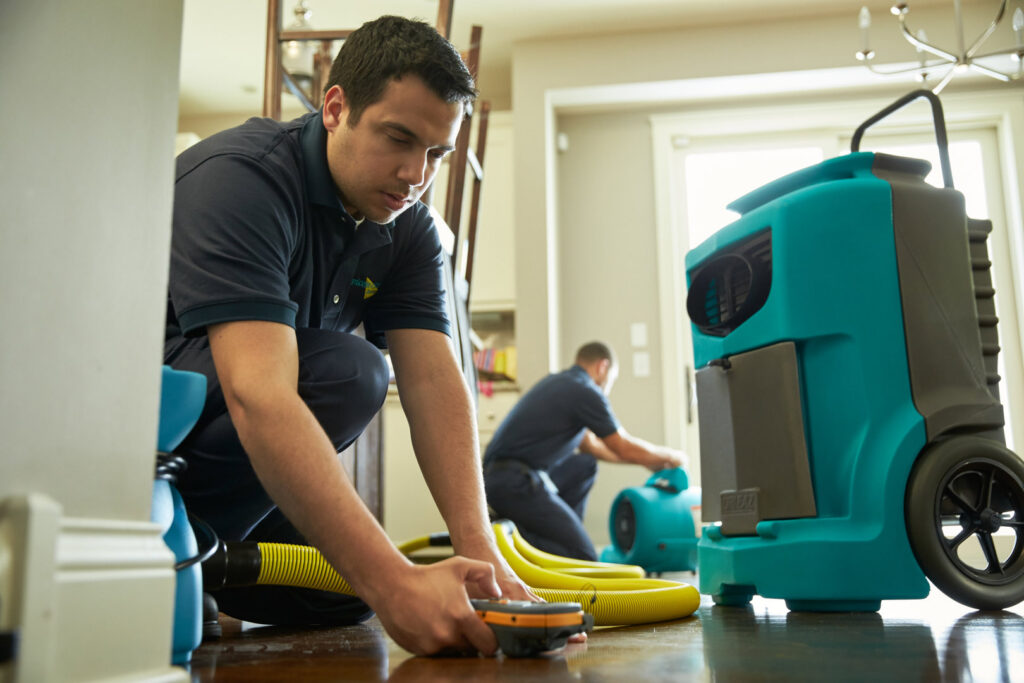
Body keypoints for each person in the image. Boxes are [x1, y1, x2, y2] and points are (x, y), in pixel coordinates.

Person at [164, 15, 534, 656]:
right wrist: (397, 586)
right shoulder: (241, 180)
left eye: (436, 154)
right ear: (336, 108)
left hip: (233, 456)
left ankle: (206, 567)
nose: (415, 174)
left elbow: (432, 381)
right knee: (352, 372)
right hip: (146, 443)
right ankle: (172, 553)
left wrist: (480, 555)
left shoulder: (407, 223)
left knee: (346, 589)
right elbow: (260, 393)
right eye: (399, 138)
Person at [483, 342, 686, 561]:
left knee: (585, 464)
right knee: (584, 555)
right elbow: (622, 445)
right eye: (612, 380)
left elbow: (596, 448)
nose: (608, 387)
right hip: (515, 483)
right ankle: (506, 540)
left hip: (503, 480)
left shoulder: (561, 383)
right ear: (602, 367)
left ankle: (559, 537)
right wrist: (672, 456)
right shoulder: (585, 391)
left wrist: (650, 463)